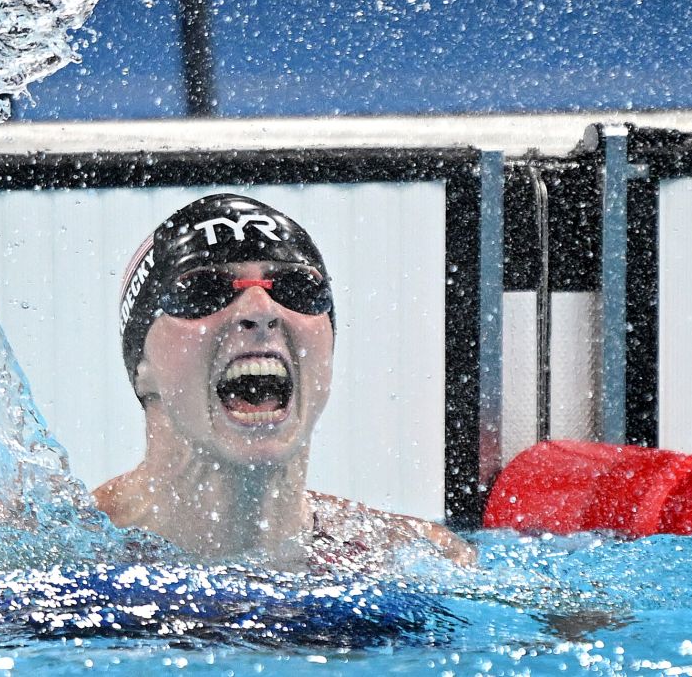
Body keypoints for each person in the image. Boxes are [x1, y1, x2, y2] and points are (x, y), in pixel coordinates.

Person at [93, 193, 475, 570]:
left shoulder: (415, 558)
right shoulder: (69, 553)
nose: (261, 309)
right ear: (142, 366)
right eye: (204, 291)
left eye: (297, 288)